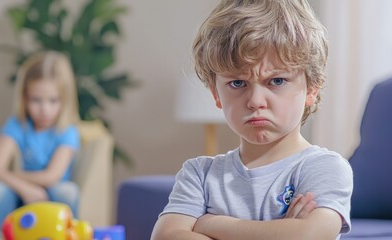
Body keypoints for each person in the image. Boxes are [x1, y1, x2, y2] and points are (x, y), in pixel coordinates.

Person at [151, 0, 353, 239]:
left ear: (312, 89)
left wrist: (212, 224)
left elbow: (309, 233)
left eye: (276, 81)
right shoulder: (200, 174)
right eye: (237, 83)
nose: (256, 101)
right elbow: (167, 236)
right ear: (216, 94)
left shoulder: (323, 167)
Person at [0, 51, 81, 230]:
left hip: (51, 197)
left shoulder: (67, 131)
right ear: (24, 98)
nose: (44, 110)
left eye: (53, 101)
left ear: (65, 99)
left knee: (67, 191)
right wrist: (24, 188)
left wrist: (5, 174)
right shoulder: (17, 125)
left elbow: (51, 177)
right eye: (36, 100)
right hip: (17, 194)